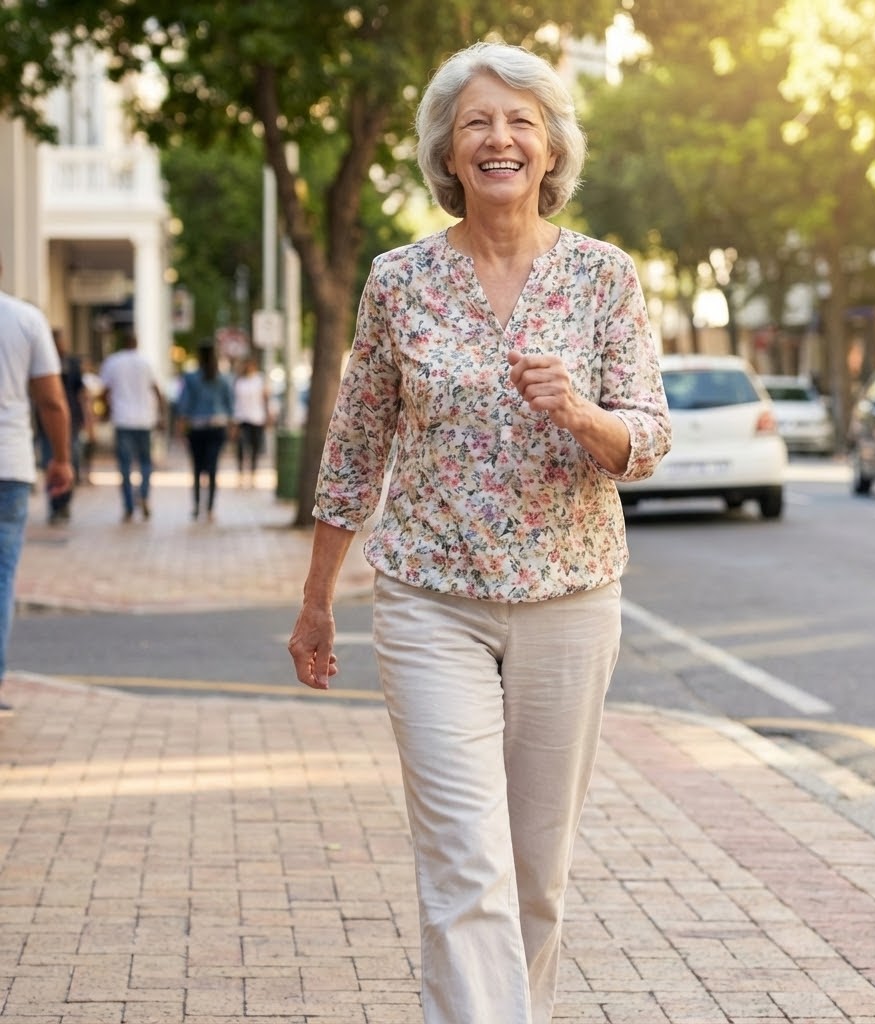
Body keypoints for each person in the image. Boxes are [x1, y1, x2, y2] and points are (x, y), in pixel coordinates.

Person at [287, 41, 671, 1024]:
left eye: (519, 122)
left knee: (535, 874)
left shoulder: (604, 277)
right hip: (430, 601)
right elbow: (356, 441)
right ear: (449, 155)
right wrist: (317, 599)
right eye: (476, 124)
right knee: (467, 862)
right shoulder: (399, 279)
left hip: (570, 598)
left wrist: (583, 415)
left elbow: (650, 433)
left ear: (549, 150)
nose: (498, 138)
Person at [0, 257, 74, 712]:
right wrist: (61, 459)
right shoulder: (26, 320)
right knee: (2, 579)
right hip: (10, 466)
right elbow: (51, 402)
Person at [99, 333, 165, 522]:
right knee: (145, 462)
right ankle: (143, 495)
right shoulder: (146, 362)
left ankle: (128, 505)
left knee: (125, 465)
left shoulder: (113, 362)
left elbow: (104, 391)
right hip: (145, 420)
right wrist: (160, 415)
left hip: (123, 419)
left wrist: (106, 411)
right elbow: (157, 390)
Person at [37, 328, 91, 524]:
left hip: (72, 422)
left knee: (70, 463)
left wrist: (87, 418)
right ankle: (54, 506)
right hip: (46, 424)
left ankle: (65, 503)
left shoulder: (72, 364)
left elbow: (82, 393)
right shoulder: (40, 361)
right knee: (50, 464)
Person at [176, 342, 233, 520]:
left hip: (197, 428)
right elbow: (230, 405)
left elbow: (183, 404)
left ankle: (196, 505)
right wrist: (231, 427)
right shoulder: (222, 378)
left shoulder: (191, 378)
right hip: (217, 427)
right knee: (213, 467)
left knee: (197, 468)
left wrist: (181, 426)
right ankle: (210, 507)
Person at [231, 354, 271, 486]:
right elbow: (234, 401)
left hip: (256, 418)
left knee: (254, 447)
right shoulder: (239, 381)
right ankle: (241, 474)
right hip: (241, 418)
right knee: (241, 446)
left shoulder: (259, 380)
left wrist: (267, 414)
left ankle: (253, 474)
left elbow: (265, 398)